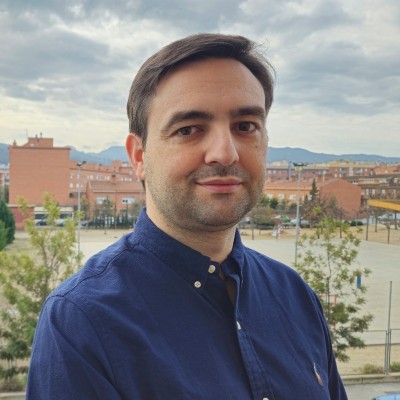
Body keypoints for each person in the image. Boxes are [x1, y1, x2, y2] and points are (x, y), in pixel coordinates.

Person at [26, 33, 348, 399]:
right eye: (189, 129)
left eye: (245, 126)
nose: (225, 153)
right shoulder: (82, 323)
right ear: (139, 156)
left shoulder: (295, 296)